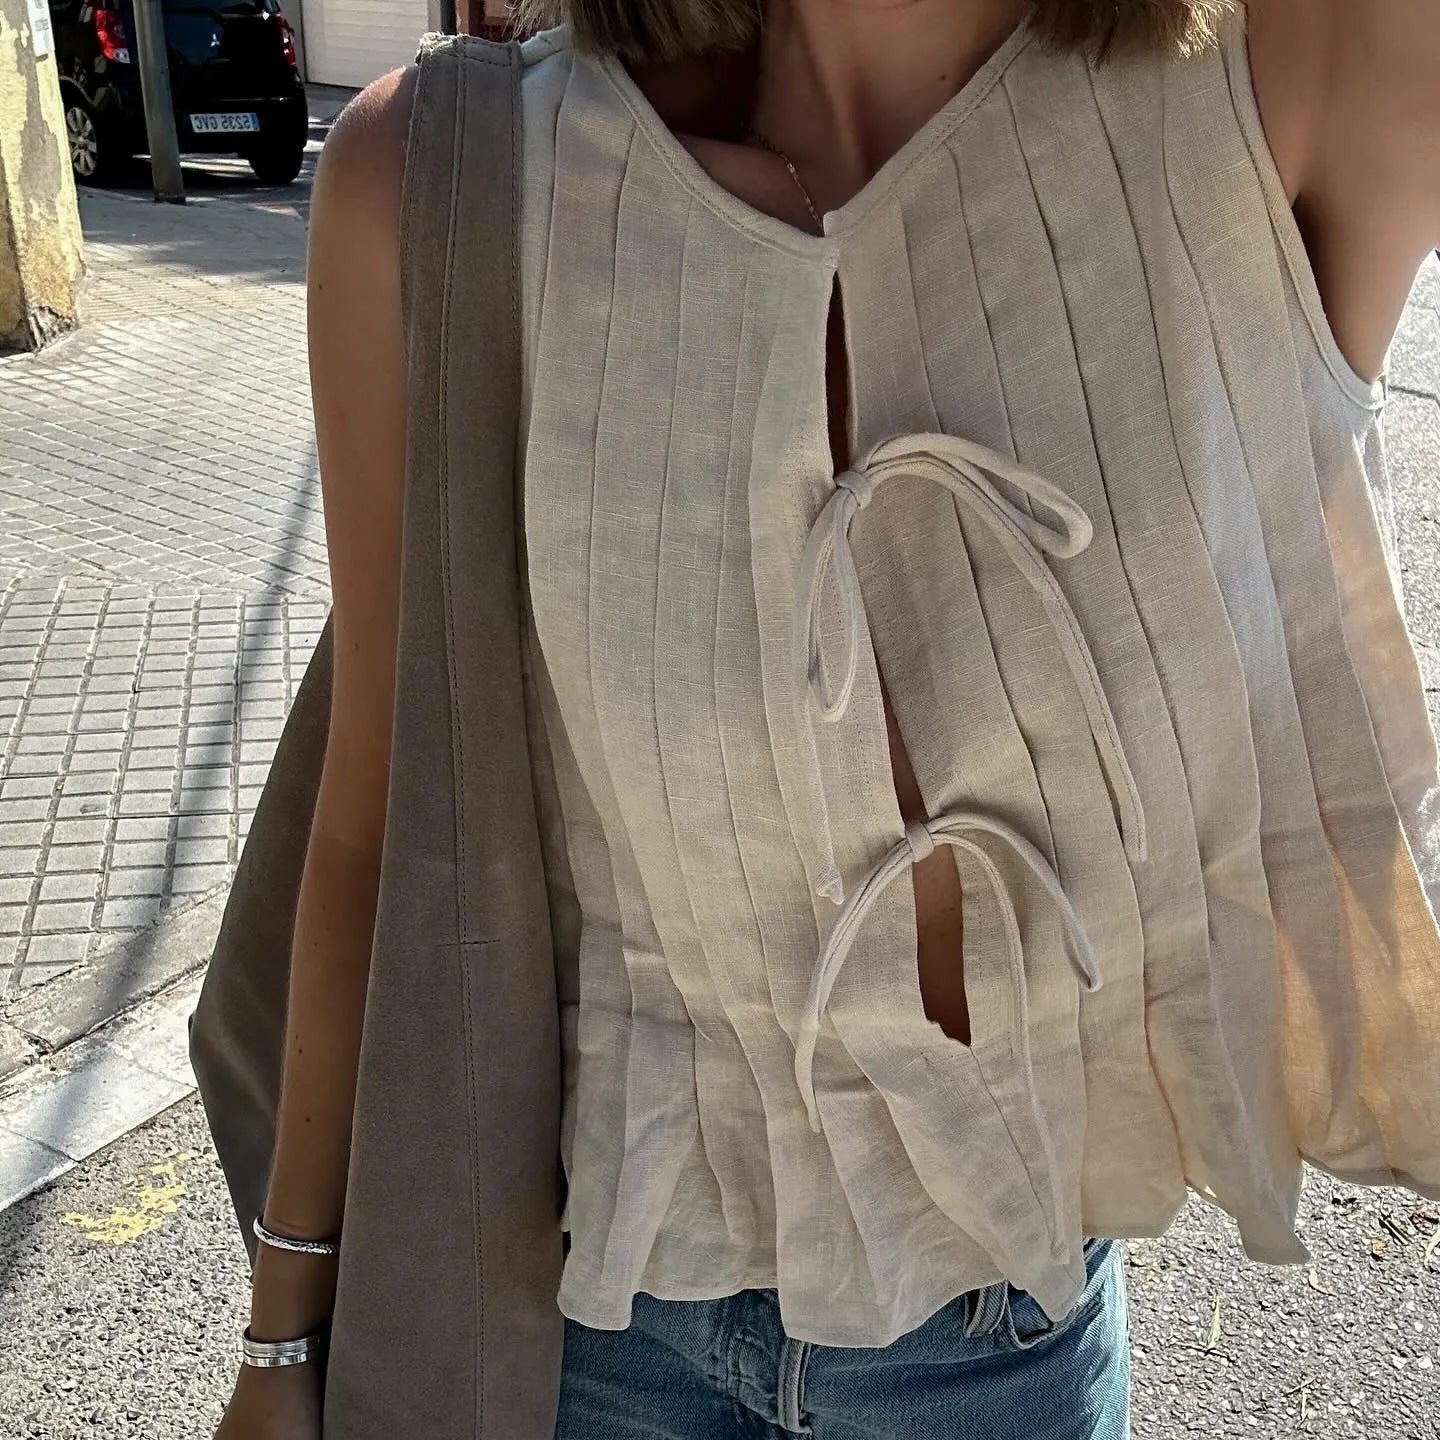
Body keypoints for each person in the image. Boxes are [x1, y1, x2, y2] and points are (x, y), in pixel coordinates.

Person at [214, 0, 1440, 1435]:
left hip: (1001, 1357)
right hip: (584, 1338)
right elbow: (373, 826)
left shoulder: (1301, 78)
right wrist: (282, 1345)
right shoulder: (443, 183)